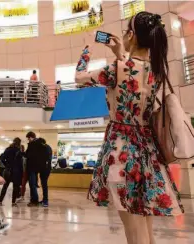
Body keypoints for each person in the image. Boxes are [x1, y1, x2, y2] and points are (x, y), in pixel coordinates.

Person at [74, 12, 184, 244]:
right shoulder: (158, 71)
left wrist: (87, 46)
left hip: (121, 155)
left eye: (126, 31)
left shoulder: (117, 68)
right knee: (146, 231)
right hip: (148, 154)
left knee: (135, 235)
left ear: (131, 35)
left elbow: (79, 77)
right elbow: (136, 74)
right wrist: (121, 54)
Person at [0, 138, 23, 207]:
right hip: (17, 171)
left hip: (8, 170)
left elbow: (2, 158)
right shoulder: (19, 151)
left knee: (5, 186)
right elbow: (20, 163)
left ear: (13, 142)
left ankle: (0, 201)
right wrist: (21, 173)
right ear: (19, 143)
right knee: (15, 187)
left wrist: (7, 165)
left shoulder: (8, 149)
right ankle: (13, 202)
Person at [25, 131, 49, 207]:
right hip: (43, 167)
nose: (28, 140)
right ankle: (45, 201)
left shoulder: (32, 144)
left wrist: (22, 153)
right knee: (44, 184)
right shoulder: (44, 145)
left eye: (28, 139)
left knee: (32, 184)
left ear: (30, 137)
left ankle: (34, 201)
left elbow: (28, 155)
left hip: (32, 167)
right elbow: (48, 155)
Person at [37, 138, 52, 207]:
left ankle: (45, 201)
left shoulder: (46, 148)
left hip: (45, 169)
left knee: (44, 184)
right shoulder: (48, 147)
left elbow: (46, 159)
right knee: (43, 184)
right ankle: (44, 199)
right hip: (45, 168)